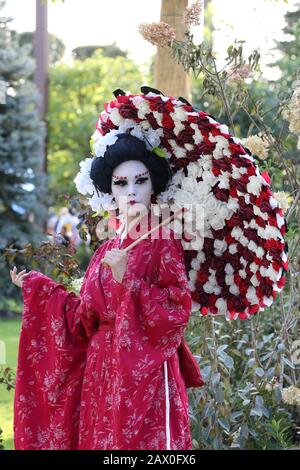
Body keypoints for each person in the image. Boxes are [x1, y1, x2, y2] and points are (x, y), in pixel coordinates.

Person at [10, 132, 203, 450]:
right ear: (110, 190)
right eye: (121, 184)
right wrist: (39, 288)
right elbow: (82, 319)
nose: (131, 192)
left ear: (153, 185)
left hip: (145, 373)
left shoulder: (162, 240)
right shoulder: (105, 250)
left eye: (140, 182)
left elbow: (176, 308)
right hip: (102, 370)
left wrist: (128, 279)